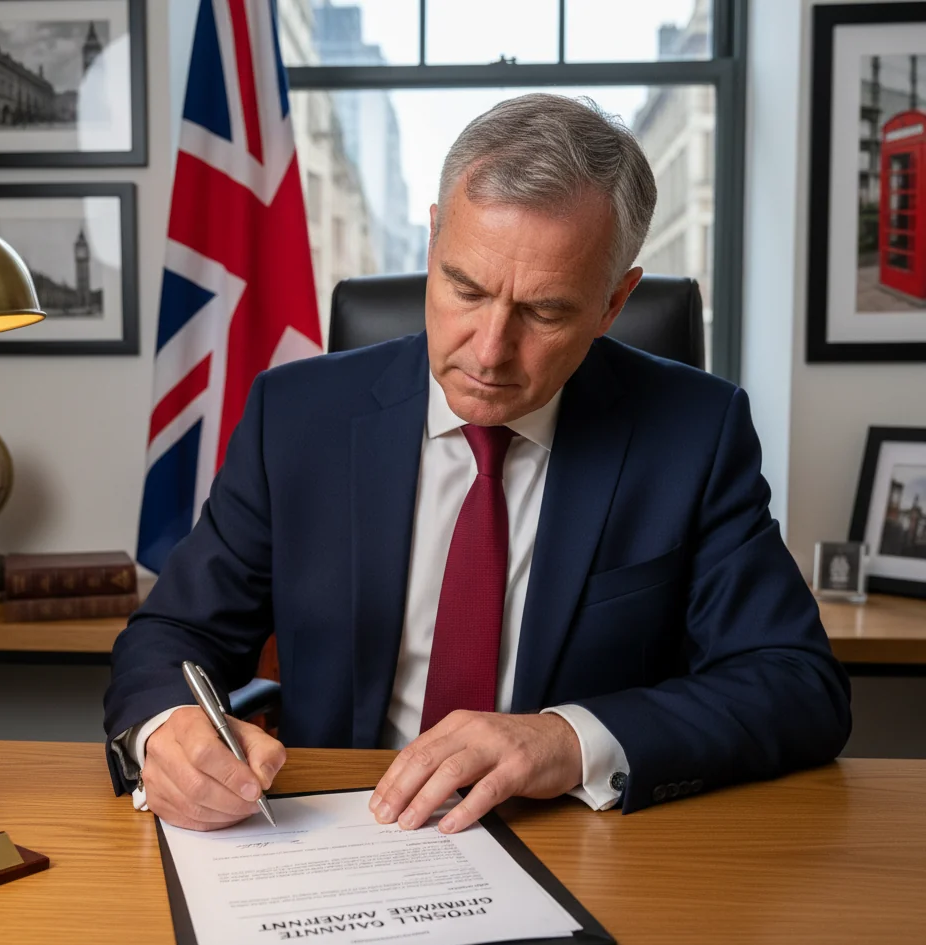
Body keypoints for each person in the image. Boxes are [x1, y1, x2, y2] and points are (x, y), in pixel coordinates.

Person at [104, 93, 851, 834]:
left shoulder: (693, 432)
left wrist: (567, 739)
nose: (489, 351)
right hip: (335, 830)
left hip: (572, 840)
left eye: (546, 312)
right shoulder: (297, 416)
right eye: (465, 288)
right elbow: (173, 633)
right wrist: (164, 729)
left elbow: (796, 684)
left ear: (615, 302)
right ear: (432, 243)